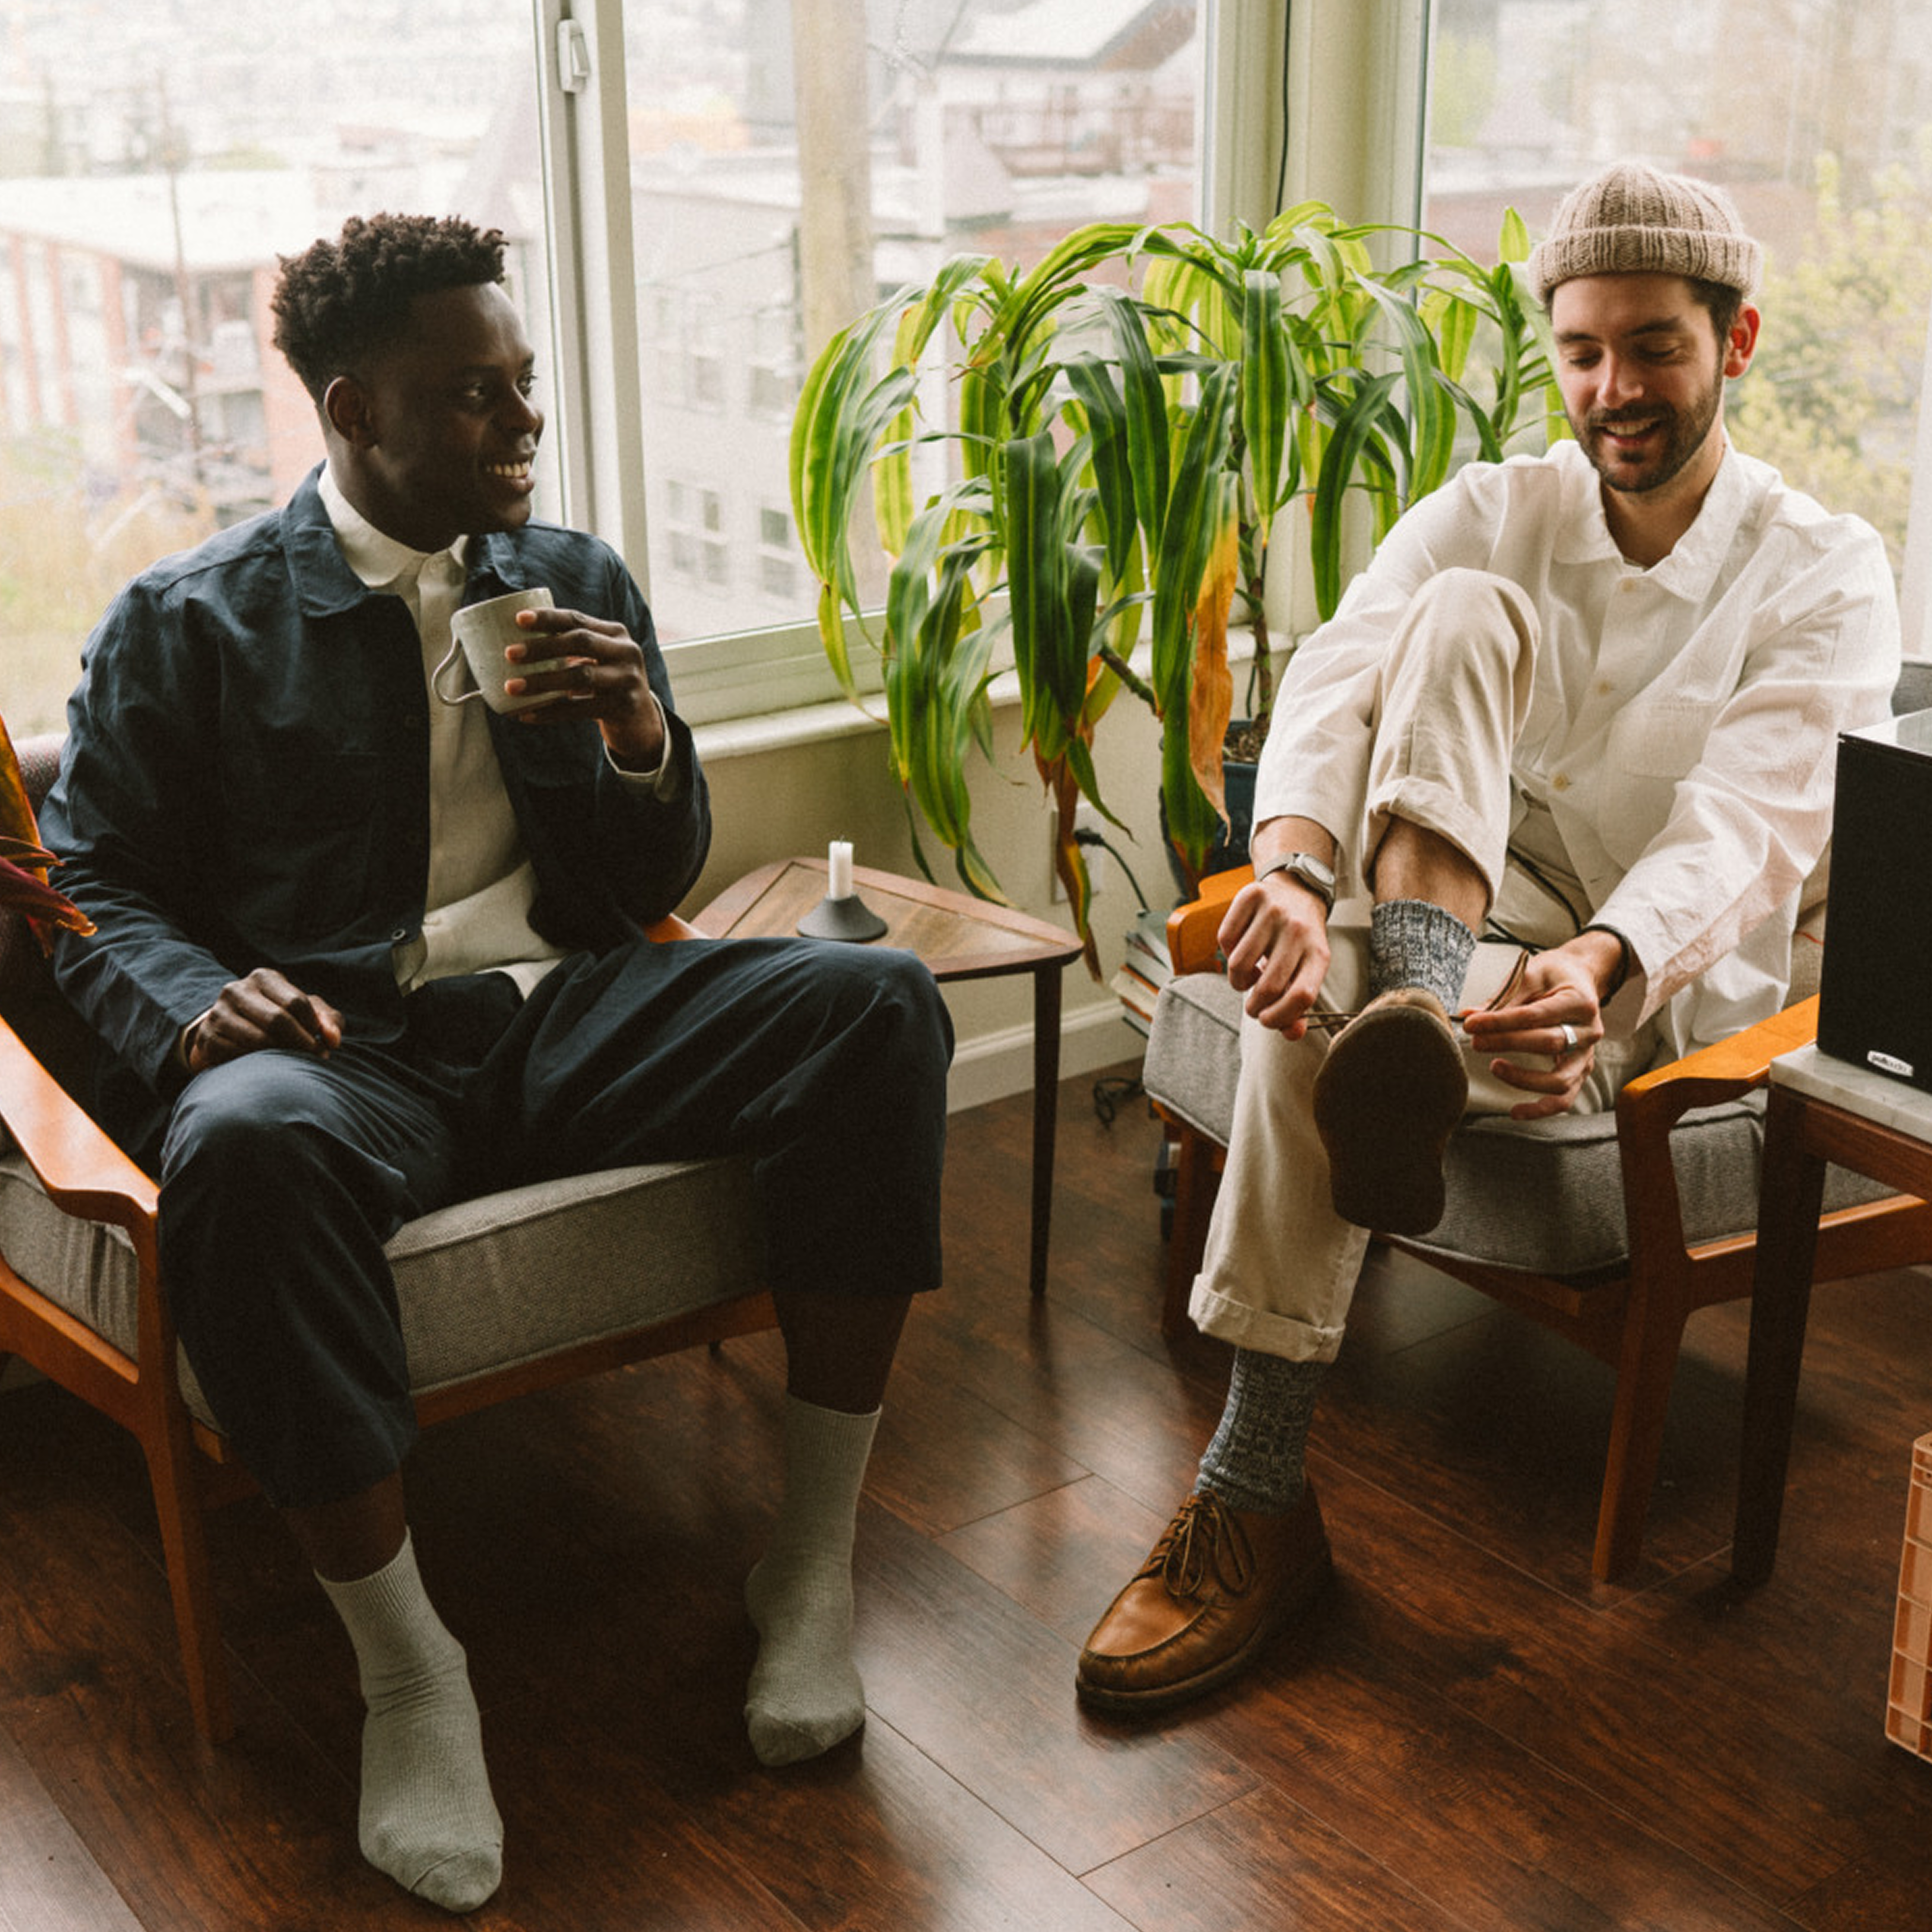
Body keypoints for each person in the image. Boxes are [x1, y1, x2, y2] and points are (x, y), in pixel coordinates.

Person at [40, 214, 953, 1913]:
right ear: (347, 409)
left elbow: (637, 883)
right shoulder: (190, 623)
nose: (520, 427)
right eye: (472, 398)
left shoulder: (575, 579)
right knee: (240, 1136)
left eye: (523, 387)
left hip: (559, 1015)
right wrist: (195, 1002)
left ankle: (806, 1563)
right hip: (344, 1046)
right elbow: (91, 883)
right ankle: (408, 1668)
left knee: (871, 1003)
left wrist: (639, 739)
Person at [1075, 163, 1901, 1715]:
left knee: (1299, 1023)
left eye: (1654, 346)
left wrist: (1594, 967)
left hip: (1620, 984)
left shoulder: (1826, 570)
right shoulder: (1497, 511)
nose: (1615, 388)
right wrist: (1301, 871)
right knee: (1449, 625)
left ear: (1739, 342)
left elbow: (1749, 831)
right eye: (1583, 351)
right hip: (1440, 924)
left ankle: (1255, 1500)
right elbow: (1331, 678)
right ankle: (1407, 1016)